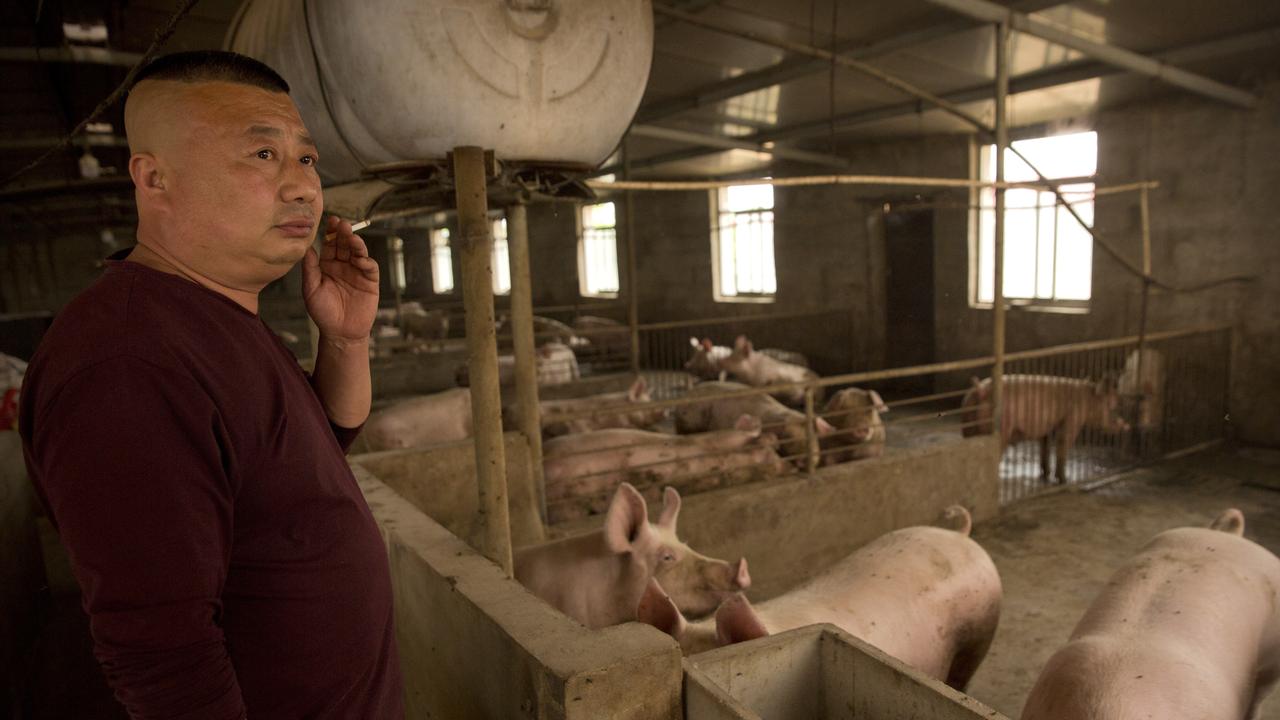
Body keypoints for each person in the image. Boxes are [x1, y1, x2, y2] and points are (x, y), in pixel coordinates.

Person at [19, 51, 403, 718]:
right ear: (154, 176)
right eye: (262, 155)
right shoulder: (127, 364)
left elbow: (313, 452)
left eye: (306, 160)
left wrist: (344, 340)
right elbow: (165, 661)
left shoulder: (215, 315)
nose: (304, 187)